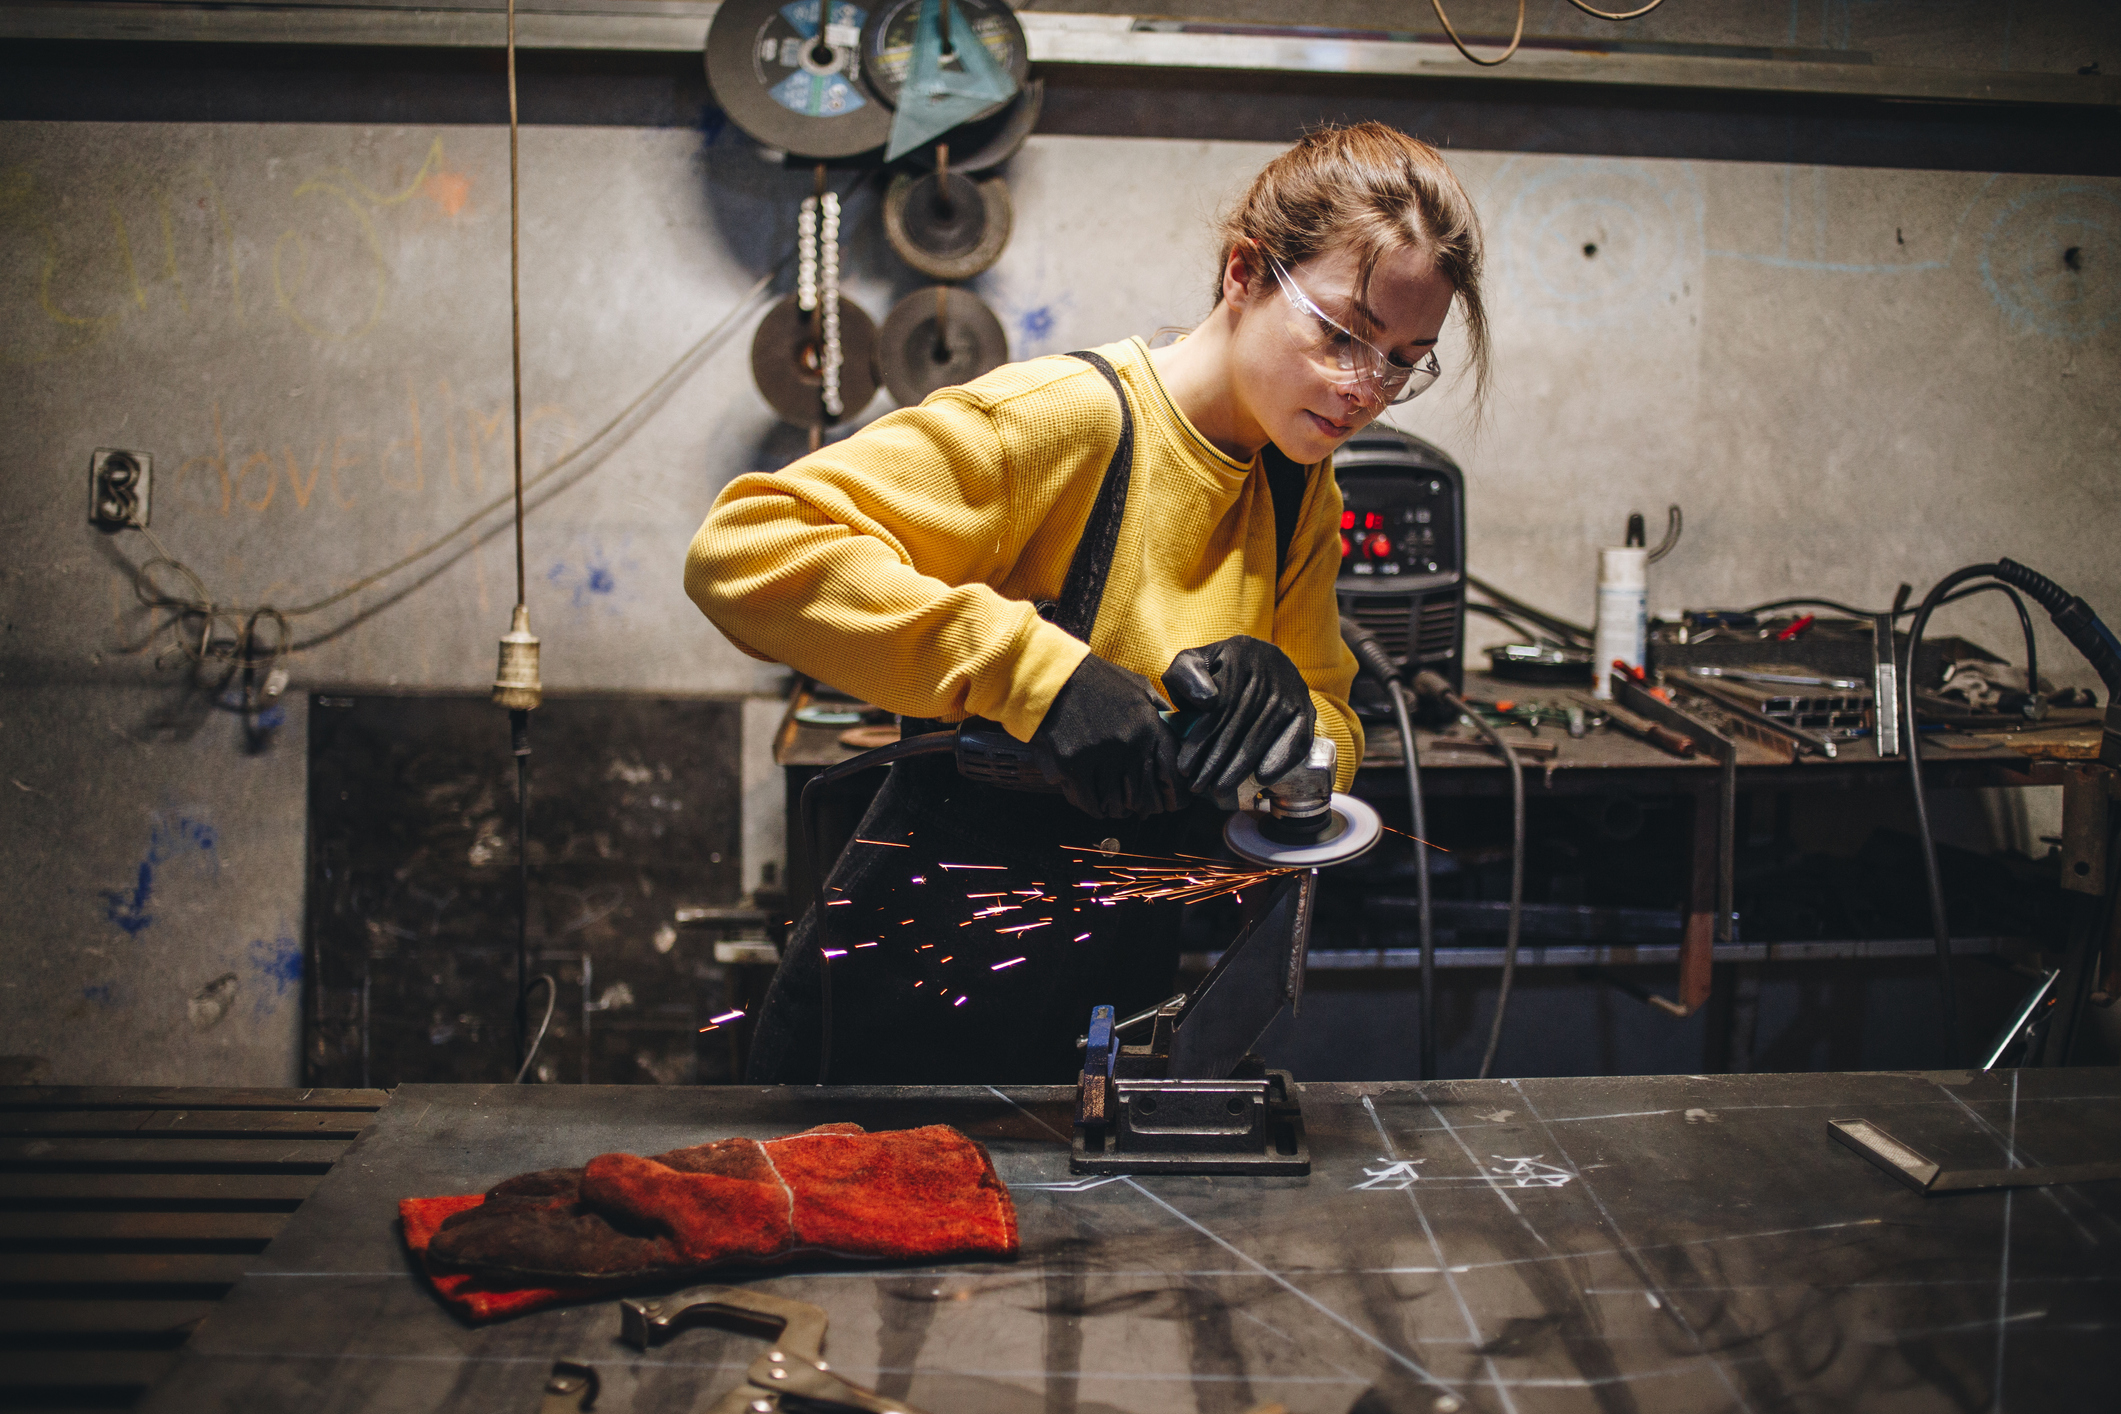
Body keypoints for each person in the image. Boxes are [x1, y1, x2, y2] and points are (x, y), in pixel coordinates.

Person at [687, 122, 1490, 1084]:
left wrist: (1289, 723)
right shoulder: (1063, 423)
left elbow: (1334, 731)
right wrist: (1041, 678)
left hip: (1115, 979)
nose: (1367, 390)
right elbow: (745, 550)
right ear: (1243, 272)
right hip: (911, 988)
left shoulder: (1297, 485)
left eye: (1406, 358)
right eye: (1342, 334)